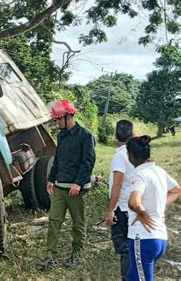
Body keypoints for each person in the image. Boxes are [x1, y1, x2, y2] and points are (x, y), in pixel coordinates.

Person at [38, 99, 96, 270]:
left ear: (67, 116)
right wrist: (50, 179)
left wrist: (78, 183)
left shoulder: (85, 136)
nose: (56, 122)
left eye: (58, 119)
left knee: (78, 222)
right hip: (60, 186)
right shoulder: (61, 136)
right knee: (54, 220)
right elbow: (58, 160)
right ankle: (50, 256)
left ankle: (76, 253)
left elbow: (88, 162)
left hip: (75, 189)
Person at [126, 136, 180, 281]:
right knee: (132, 277)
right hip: (159, 239)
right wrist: (159, 205)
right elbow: (177, 190)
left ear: (130, 155)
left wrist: (141, 212)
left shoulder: (140, 174)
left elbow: (133, 202)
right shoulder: (159, 171)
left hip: (142, 238)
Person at [105, 120, 135, 280]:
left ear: (116, 135)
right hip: (136, 205)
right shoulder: (137, 152)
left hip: (123, 208)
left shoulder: (120, 155)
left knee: (124, 247)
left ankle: (126, 277)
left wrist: (111, 210)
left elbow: (117, 183)